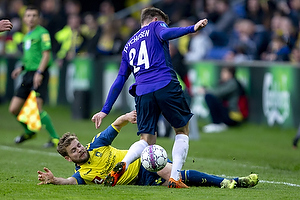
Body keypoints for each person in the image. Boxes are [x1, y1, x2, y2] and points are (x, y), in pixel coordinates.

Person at [91, 7, 208, 188]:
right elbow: (168, 33)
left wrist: (105, 109)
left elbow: (120, 79)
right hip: (165, 84)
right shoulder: (155, 26)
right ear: (155, 19)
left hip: (143, 92)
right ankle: (175, 178)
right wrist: (192, 29)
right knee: (182, 130)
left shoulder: (128, 44)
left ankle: (124, 163)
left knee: (146, 140)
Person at [37, 110, 259, 189]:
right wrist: (55, 180)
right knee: (182, 180)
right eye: (74, 151)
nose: (80, 150)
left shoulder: (96, 145)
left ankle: (231, 181)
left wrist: (127, 117)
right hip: (140, 181)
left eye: (78, 145)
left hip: (144, 161)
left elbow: (115, 126)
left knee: (175, 175)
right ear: (69, 159)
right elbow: (70, 182)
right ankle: (229, 182)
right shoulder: (83, 175)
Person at [8, 5, 60, 148]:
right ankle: (29, 132)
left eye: (34, 16)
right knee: (13, 109)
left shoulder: (42, 33)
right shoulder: (27, 36)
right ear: (24, 18)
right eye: (28, 16)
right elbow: (31, 57)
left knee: (38, 108)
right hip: (27, 74)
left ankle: (55, 138)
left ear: (38, 18)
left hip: (40, 73)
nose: (31, 18)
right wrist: (21, 68)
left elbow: (46, 55)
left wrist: (39, 72)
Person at [199, 66, 247, 133]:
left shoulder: (232, 83)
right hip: (228, 112)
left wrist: (205, 90)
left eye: (224, 72)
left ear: (230, 74)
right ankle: (218, 123)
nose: (221, 74)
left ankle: (217, 124)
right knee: (210, 96)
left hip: (233, 115)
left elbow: (217, 93)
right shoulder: (225, 82)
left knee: (209, 96)